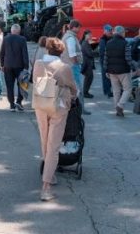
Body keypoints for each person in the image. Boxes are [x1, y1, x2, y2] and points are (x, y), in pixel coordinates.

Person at [32, 38, 79, 202]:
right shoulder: (63, 67)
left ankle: (49, 175)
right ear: (61, 52)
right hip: (58, 106)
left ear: (47, 49)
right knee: (54, 145)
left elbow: (34, 81)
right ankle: (46, 187)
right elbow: (73, 87)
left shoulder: (38, 64)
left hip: (40, 103)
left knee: (44, 141)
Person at [61, 20, 89, 115]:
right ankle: (80, 109)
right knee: (78, 89)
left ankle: (74, 108)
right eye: (78, 27)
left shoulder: (67, 36)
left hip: (68, 65)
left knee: (72, 89)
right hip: (73, 66)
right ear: (74, 27)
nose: (79, 29)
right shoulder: (71, 38)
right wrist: (76, 63)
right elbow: (72, 54)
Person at [104, 25, 133, 117]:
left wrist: (106, 70)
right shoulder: (125, 43)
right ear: (122, 33)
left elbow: (105, 58)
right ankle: (120, 105)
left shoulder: (108, 43)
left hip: (112, 71)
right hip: (123, 70)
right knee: (128, 89)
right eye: (124, 32)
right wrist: (135, 66)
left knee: (116, 91)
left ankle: (117, 109)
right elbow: (128, 59)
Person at [0, 24, 30, 111]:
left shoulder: (5, 39)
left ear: (12, 30)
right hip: (19, 65)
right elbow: (25, 54)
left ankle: (11, 104)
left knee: (9, 86)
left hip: (8, 65)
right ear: (19, 31)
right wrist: (26, 66)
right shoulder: (22, 39)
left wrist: (2, 64)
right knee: (21, 84)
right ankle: (19, 102)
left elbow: (2, 52)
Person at [80, 30, 97, 99]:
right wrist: (95, 53)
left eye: (91, 35)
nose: (90, 36)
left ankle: (85, 92)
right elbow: (89, 53)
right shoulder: (85, 43)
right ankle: (85, 92)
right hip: (86, 63)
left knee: (89, 78)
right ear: (85, 35)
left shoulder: (86, 42)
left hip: (87, 63)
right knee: (89, 78)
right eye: (89, 35)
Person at [98, 25, 113, 97]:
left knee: (109, 76)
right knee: (105, 76)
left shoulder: (110, 38)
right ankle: (107, 91)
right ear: (105, 31)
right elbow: (102, 52)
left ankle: (108, 90)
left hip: (109, 60)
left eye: (111, 30)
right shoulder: (103, 39)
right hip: (104, 60)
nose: (110, 32)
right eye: (109, 30)